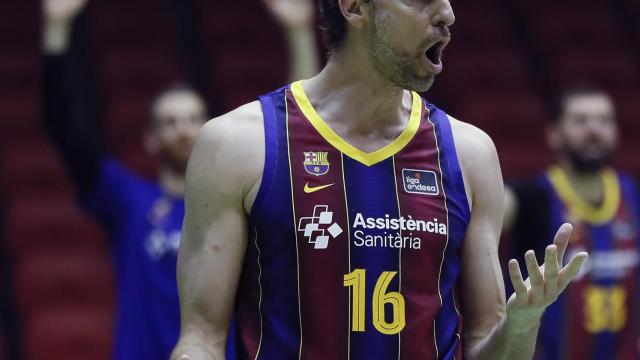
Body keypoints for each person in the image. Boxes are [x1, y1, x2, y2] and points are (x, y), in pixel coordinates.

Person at [171, 0, 589, 358]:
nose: (447, 14)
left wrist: (521, 325)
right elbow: (201, 340)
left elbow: (485, 341)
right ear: (354, 7)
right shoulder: (235, 144)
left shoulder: (470, 154)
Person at [41, 0, 319, 358]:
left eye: (192, 119)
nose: (183, 130)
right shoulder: (127, 200)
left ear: (210, 129)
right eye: (170, 122)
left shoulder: (237, 203)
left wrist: (298, 33)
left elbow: (293, 131)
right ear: (150, 138)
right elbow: (64, 128)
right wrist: (56, 28)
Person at [503, 86, 640, 359]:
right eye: (580, 121)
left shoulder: (632, 192)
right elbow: (476, 213)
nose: (594, 130)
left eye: (604, 120)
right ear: (554, 134)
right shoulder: (529, 197)